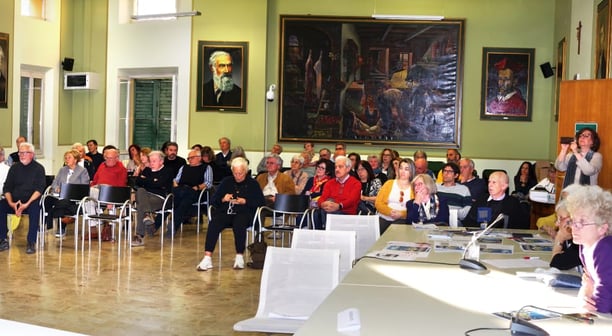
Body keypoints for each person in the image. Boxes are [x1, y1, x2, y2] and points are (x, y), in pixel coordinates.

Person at [197, 157, 264, 271]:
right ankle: (207, 257)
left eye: (241, 173)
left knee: (239, 222)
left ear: (246, 171)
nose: (238, 176)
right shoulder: (226, 181)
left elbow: (261, 202)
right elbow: (214, 201)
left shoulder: (253, 183)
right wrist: (223, 199)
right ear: (232, 171)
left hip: (245, 213)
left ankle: (239, 256)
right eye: (235, 173)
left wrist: (245, 201)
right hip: (227, 212)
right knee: (214, 223)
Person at [564, 185, 612, 313]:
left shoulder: (605, 249)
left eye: (581, 222)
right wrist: (586, 294)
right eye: (573, 221)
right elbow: (588, 284)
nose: (574, 227)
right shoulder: (584, 247)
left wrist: (592, 305)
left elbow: (604, 302)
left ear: (602, 228)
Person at [0, 142, 46, 254]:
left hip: (30, 201)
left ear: (32, 154)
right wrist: (11, 202)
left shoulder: (39, 168)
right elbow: (7, 187)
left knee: (35, 208)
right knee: (1, 205)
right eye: (20, 153)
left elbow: (39, 189)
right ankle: (3, 239)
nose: (21, 155)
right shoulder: (14, 168)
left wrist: (26, 204)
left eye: (24, 153)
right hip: (15, 201)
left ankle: (31, 242)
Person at [132, 151, 174, 246]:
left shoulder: (167, 171)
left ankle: (139, 236)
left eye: (154, 161)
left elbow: (160, 184)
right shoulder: (147, 170)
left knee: (141, 206)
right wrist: (153, 181)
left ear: (161, 161)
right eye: (150, 161)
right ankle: (146, 216)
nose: (151, 163)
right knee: (141, 190)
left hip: (159, 198)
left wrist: (146, 180)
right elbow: (137, 182)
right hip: (144, 195)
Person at [45, 150, 90, 235]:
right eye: (65, 158)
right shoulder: (62, 170)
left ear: (75, 160)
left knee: (63, 203)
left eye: (69, 158)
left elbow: (84, 187)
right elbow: (54, 183)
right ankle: (50, 222)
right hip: (59, 196)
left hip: (73, 199)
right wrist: (56, 188)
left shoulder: (82, 171)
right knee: (46, 200)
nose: (66, 159)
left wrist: (68, 190)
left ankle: (56, 225)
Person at [463, 171, 529, 229]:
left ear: (504, 186)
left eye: (494, 182)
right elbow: (468, 222)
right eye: (489, 182)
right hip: (480, 237)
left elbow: (521, 226)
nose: (490, 185)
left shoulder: (512, 203)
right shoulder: (481, 200)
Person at [171, 148, 213, 237]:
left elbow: (208, 183)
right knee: (183, 198)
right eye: (188, 158)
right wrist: (176, 185)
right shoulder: (184, 167)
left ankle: (173, 226)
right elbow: (176, 179)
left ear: (199, 158)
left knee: (183, 198)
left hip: (195, 191)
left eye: (192, 158)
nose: (189, 160)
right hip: (181, 190)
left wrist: (197, 187)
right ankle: (173, 226)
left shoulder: (206, 167)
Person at [313, 156, 361, 230]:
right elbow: (322, 198)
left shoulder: (356, 183)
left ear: (348, 169)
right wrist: (322, 204)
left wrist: (339, 206)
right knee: (316, 213)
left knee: (329, 213)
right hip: (328, 211)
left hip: (346, 213)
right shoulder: (329, 183)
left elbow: (352, 200)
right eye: (336, 167)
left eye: (340, 167)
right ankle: (318, 236)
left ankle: (327, 235)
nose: (337, 169)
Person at [375, 158, 415, 234]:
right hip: (384, 217)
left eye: (406, 169)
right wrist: (389, 212)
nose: (403, 171)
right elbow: (378, 203)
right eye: (401, 168)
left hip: (402, 220)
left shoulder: (414, 188)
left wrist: (401, 214)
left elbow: (414, 209)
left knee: (397, 230)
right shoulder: (389, 183)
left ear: (411, 171)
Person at [548, 199, 581, 271]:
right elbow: (561, 256)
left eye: (560, 218)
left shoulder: (580, 243)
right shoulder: (570, 238)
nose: (556, 224)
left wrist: (559, 238)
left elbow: (556, 264)